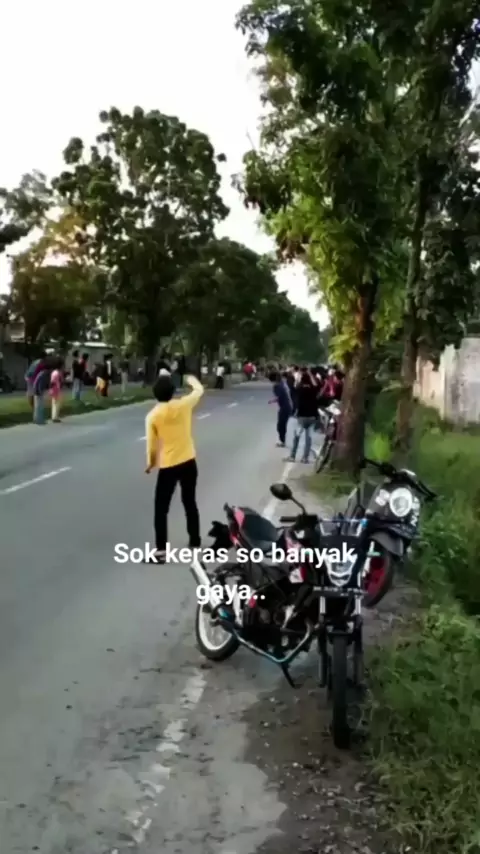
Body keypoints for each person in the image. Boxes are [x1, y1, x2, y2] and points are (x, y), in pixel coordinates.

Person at [145, 373, 204, 563]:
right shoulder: (183, 405)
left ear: (155, 394)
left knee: (161, 509)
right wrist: (191, 379)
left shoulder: (153, 416)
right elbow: (199, 391)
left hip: (169, 465)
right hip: (188, 460)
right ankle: (195, 540)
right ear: (173, 392)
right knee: (189, 501)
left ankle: (161, 551)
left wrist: (150, 464)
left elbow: (152, 446)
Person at [286, 369, 319, 462]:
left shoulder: (299, 389)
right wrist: (310, 374)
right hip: (312, 416)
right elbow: (316, 385)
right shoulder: (313, 389)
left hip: (301, 417)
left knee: (297, 437)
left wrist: (298, 377)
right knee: (308, 438)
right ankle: (305, 458)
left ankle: (292, 456)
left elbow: (294, 386)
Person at [269, 371, 294, 447]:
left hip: (284, 407)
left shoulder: (277, 386)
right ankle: (282, 440)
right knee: (282, 424)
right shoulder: (283, 383)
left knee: (280, 425)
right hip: (288, 406)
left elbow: (279, 397)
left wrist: (272, 401)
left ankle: (282, 441)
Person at [32, 360, 50, 425]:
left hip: (35, 390)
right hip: (38, 391)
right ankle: (40, 420)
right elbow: (41, 384)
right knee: (40, 406)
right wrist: (40, 392)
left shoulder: (41, 373)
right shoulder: (44, 374)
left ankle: (36, 419)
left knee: (37, 406)